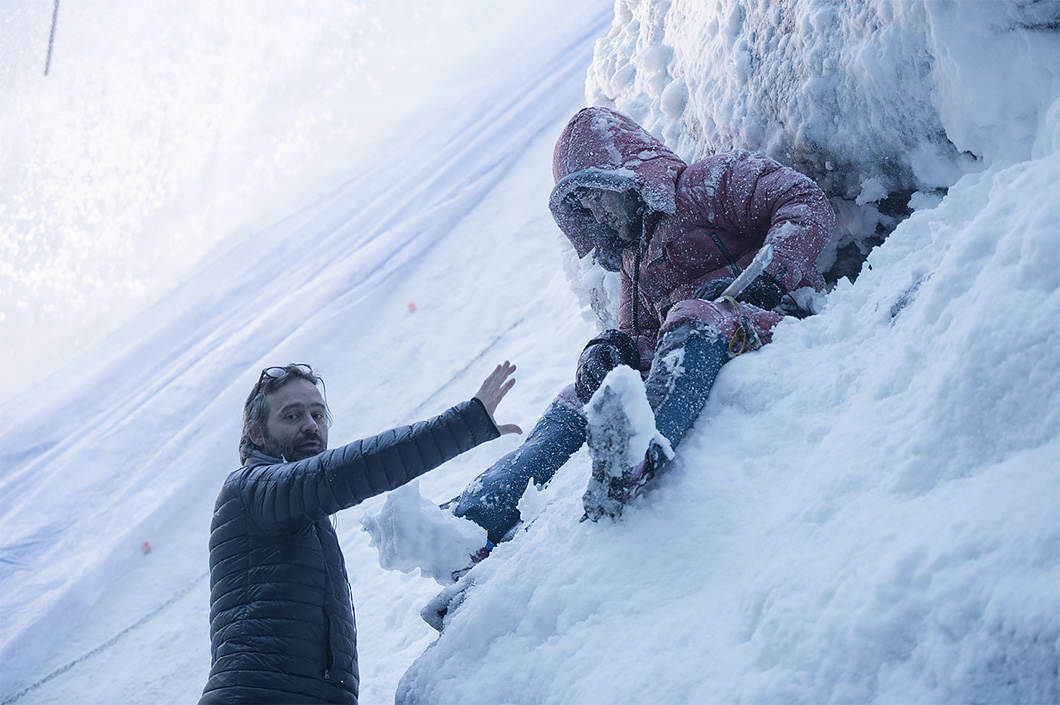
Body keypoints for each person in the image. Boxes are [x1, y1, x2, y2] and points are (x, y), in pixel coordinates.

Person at [448, 106, 836, 545]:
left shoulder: (707, 184)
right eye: (586, 206)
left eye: (599, 194)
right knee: (580, 395)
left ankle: (638, 452)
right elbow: (646, 339)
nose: (597, 214)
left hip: (771, 319)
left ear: (628, 173)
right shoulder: (633, 260)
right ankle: (477, 515)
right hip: (698, 343)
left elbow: (804, 201)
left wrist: (766, 277)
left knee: (691, 316)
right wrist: (614, 350)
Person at [198, 361, 520, 705]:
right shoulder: (250, 490)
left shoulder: (291, 510)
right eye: (292, 416)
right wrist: (465, 424)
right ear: (258, 433)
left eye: (318, 415)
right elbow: (350, 469)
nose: (311, 426)